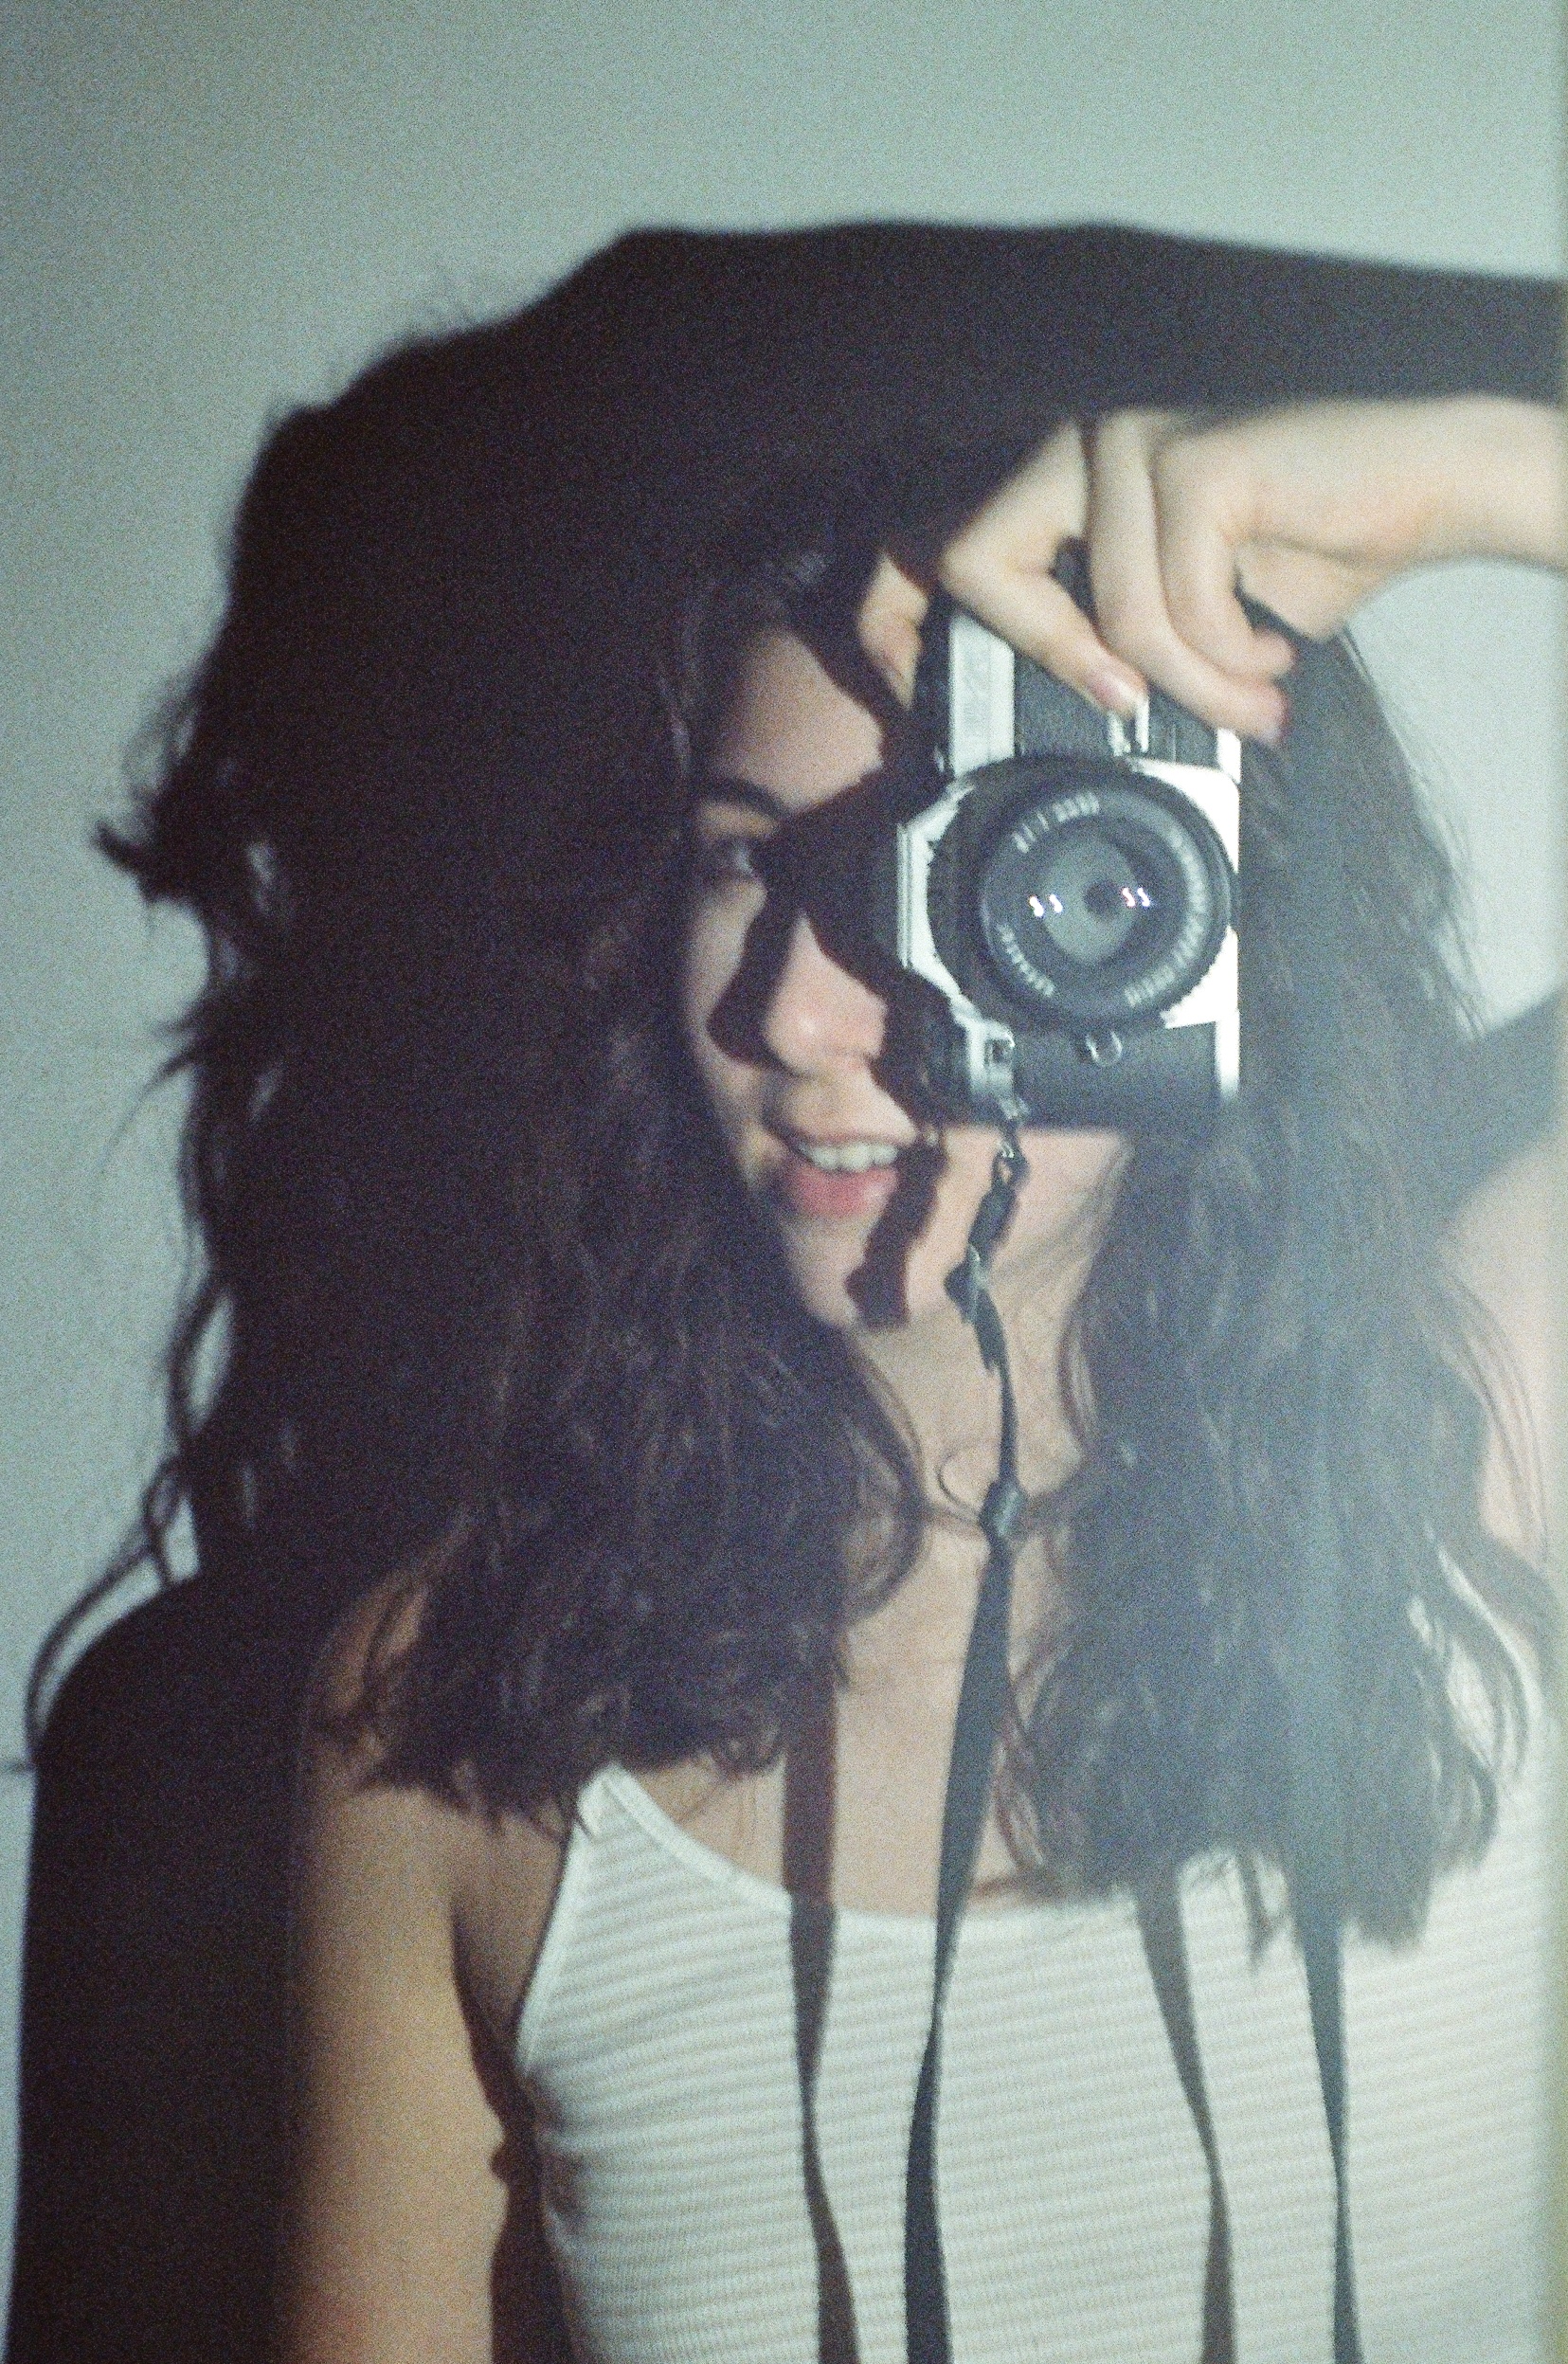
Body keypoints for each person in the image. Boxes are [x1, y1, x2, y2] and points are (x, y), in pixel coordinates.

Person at [12, 229, 1563, 2364]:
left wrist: (1465, 476)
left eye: (955, 871)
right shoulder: (457, 1724)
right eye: (747, 859)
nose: (799, 1014)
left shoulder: (1473, 1440)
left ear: (1199, 925)